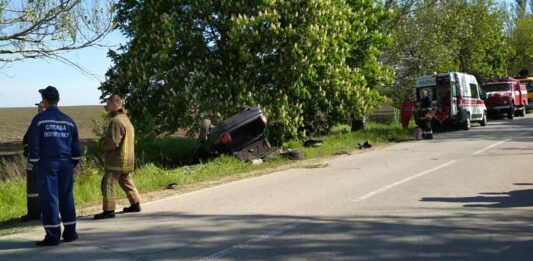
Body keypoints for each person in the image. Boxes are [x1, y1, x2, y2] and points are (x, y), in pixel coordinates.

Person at [27, 86, 81, 246]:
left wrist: (34, 162)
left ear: (44, 100)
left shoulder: (39, 120)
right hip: (66, 164)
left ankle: (52, 236)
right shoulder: (68, 121)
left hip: (48, 164)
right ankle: (70, 233)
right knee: (67, 197)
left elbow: (33, 143)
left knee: (49, 198)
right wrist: (74, 162)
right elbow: (76, 146)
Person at [94, 94, 141, 220]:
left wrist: (102, 143)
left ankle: (109, 210)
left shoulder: (116, 121)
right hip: (128, 160)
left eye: (108, 104)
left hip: (117, 160)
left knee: (108, 183)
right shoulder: (126, 119)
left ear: (115, 104)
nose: (106, 107)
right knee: (126, 181)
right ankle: (136, 203)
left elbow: (113, 142)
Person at [20, 102, 46, 222]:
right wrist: (26, 148)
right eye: (38, 106)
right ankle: (40, 212)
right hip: (40, 159)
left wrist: (31, 152)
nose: (38, 108)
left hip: (37, 159)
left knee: (33, 186)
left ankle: (35, 213)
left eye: (40, 106)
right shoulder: (38, 120)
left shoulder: (39, 121)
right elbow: (27, 138)